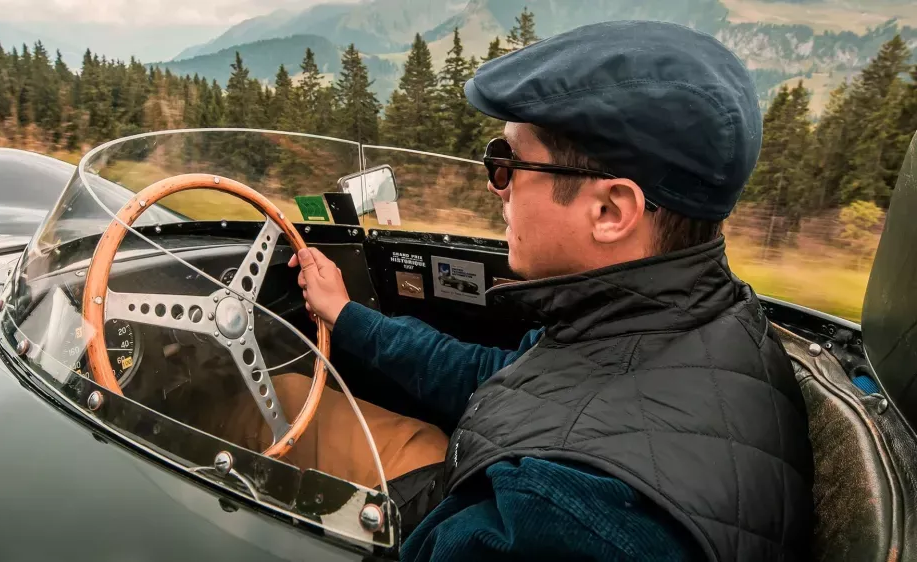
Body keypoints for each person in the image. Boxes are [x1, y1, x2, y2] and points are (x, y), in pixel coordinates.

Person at [224, 20, 814, 562]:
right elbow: (501, 377)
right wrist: (347, 315)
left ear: (611, 211)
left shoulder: (565, 519)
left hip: (439, 517)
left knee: (250, 411)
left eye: (507, 162)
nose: (496, 186)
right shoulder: (689, 316)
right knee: (291, 390)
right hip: (475, 470)